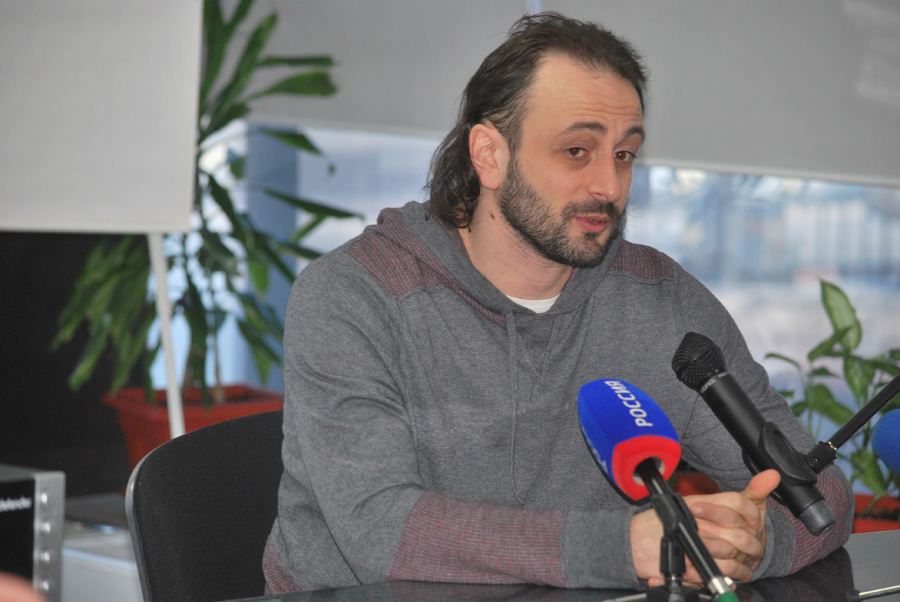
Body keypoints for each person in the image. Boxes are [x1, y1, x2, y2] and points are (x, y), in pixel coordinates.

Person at [263, 12, 853, 593]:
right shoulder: (356, 296)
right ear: (489, 155)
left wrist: (750, 545)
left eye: (624, 154)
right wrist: (620, 548)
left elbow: (819, 495)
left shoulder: (659, 301)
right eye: (576, 151)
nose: (609, 187)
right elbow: (380, 532)